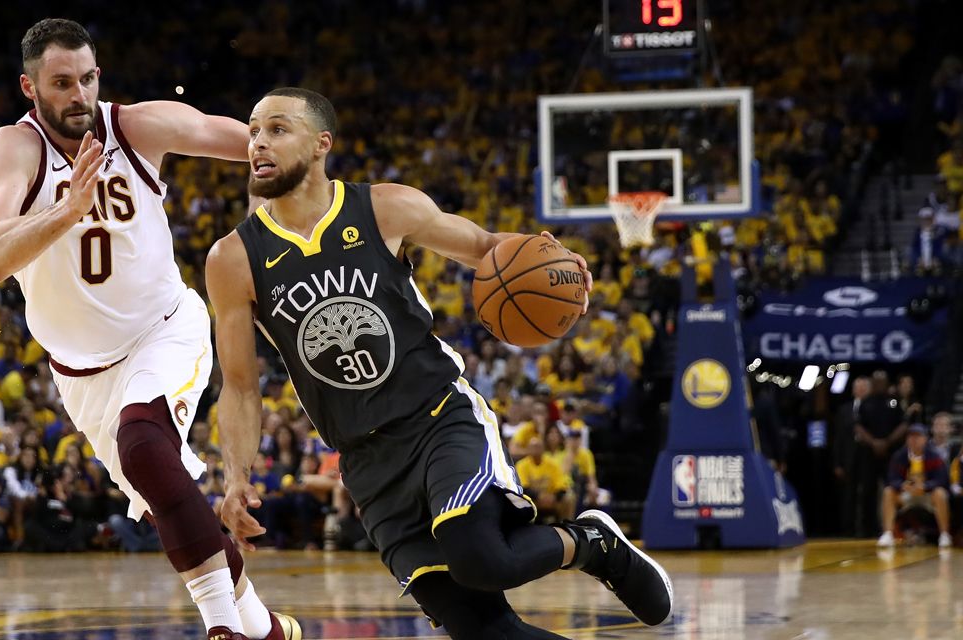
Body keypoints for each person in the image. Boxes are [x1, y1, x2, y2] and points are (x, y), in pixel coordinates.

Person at [208, 88, 673, 639]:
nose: (258, 142)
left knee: (483, 560)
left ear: (320, 144)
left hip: (437, 419)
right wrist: (235, 477)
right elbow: (240, 387)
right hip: (365, 459)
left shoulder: (384, 207)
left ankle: (592, 543)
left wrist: (556, 263)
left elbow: (485, 247)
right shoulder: (232, 258)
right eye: (253, 131)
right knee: (486, 633)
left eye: (277, 129)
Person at [0, 19, 295, 640]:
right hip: (81, 375)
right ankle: (268, 630)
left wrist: (266, 208)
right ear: (29, 87)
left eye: (87, 78)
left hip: (163, 331)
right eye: (61, 83)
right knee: (166, 500)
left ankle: (222, 631)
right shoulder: (13, 149)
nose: (79, 94)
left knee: (144, 447)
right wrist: (68, 209)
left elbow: (263, 148)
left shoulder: (137, 127)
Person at [878, 424, 952, 548]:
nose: (914, 440)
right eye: (911, 436)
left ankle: (944, 535)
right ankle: (887, 534)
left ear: (925, 439)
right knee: (888, 492)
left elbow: (942, 479)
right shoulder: (899, 456)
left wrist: (925, 486)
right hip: (906, 494)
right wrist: (902, 485)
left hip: (927, 494)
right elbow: (891, 479)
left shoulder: (935, 456)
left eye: (917, 436)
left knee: (940, 493)